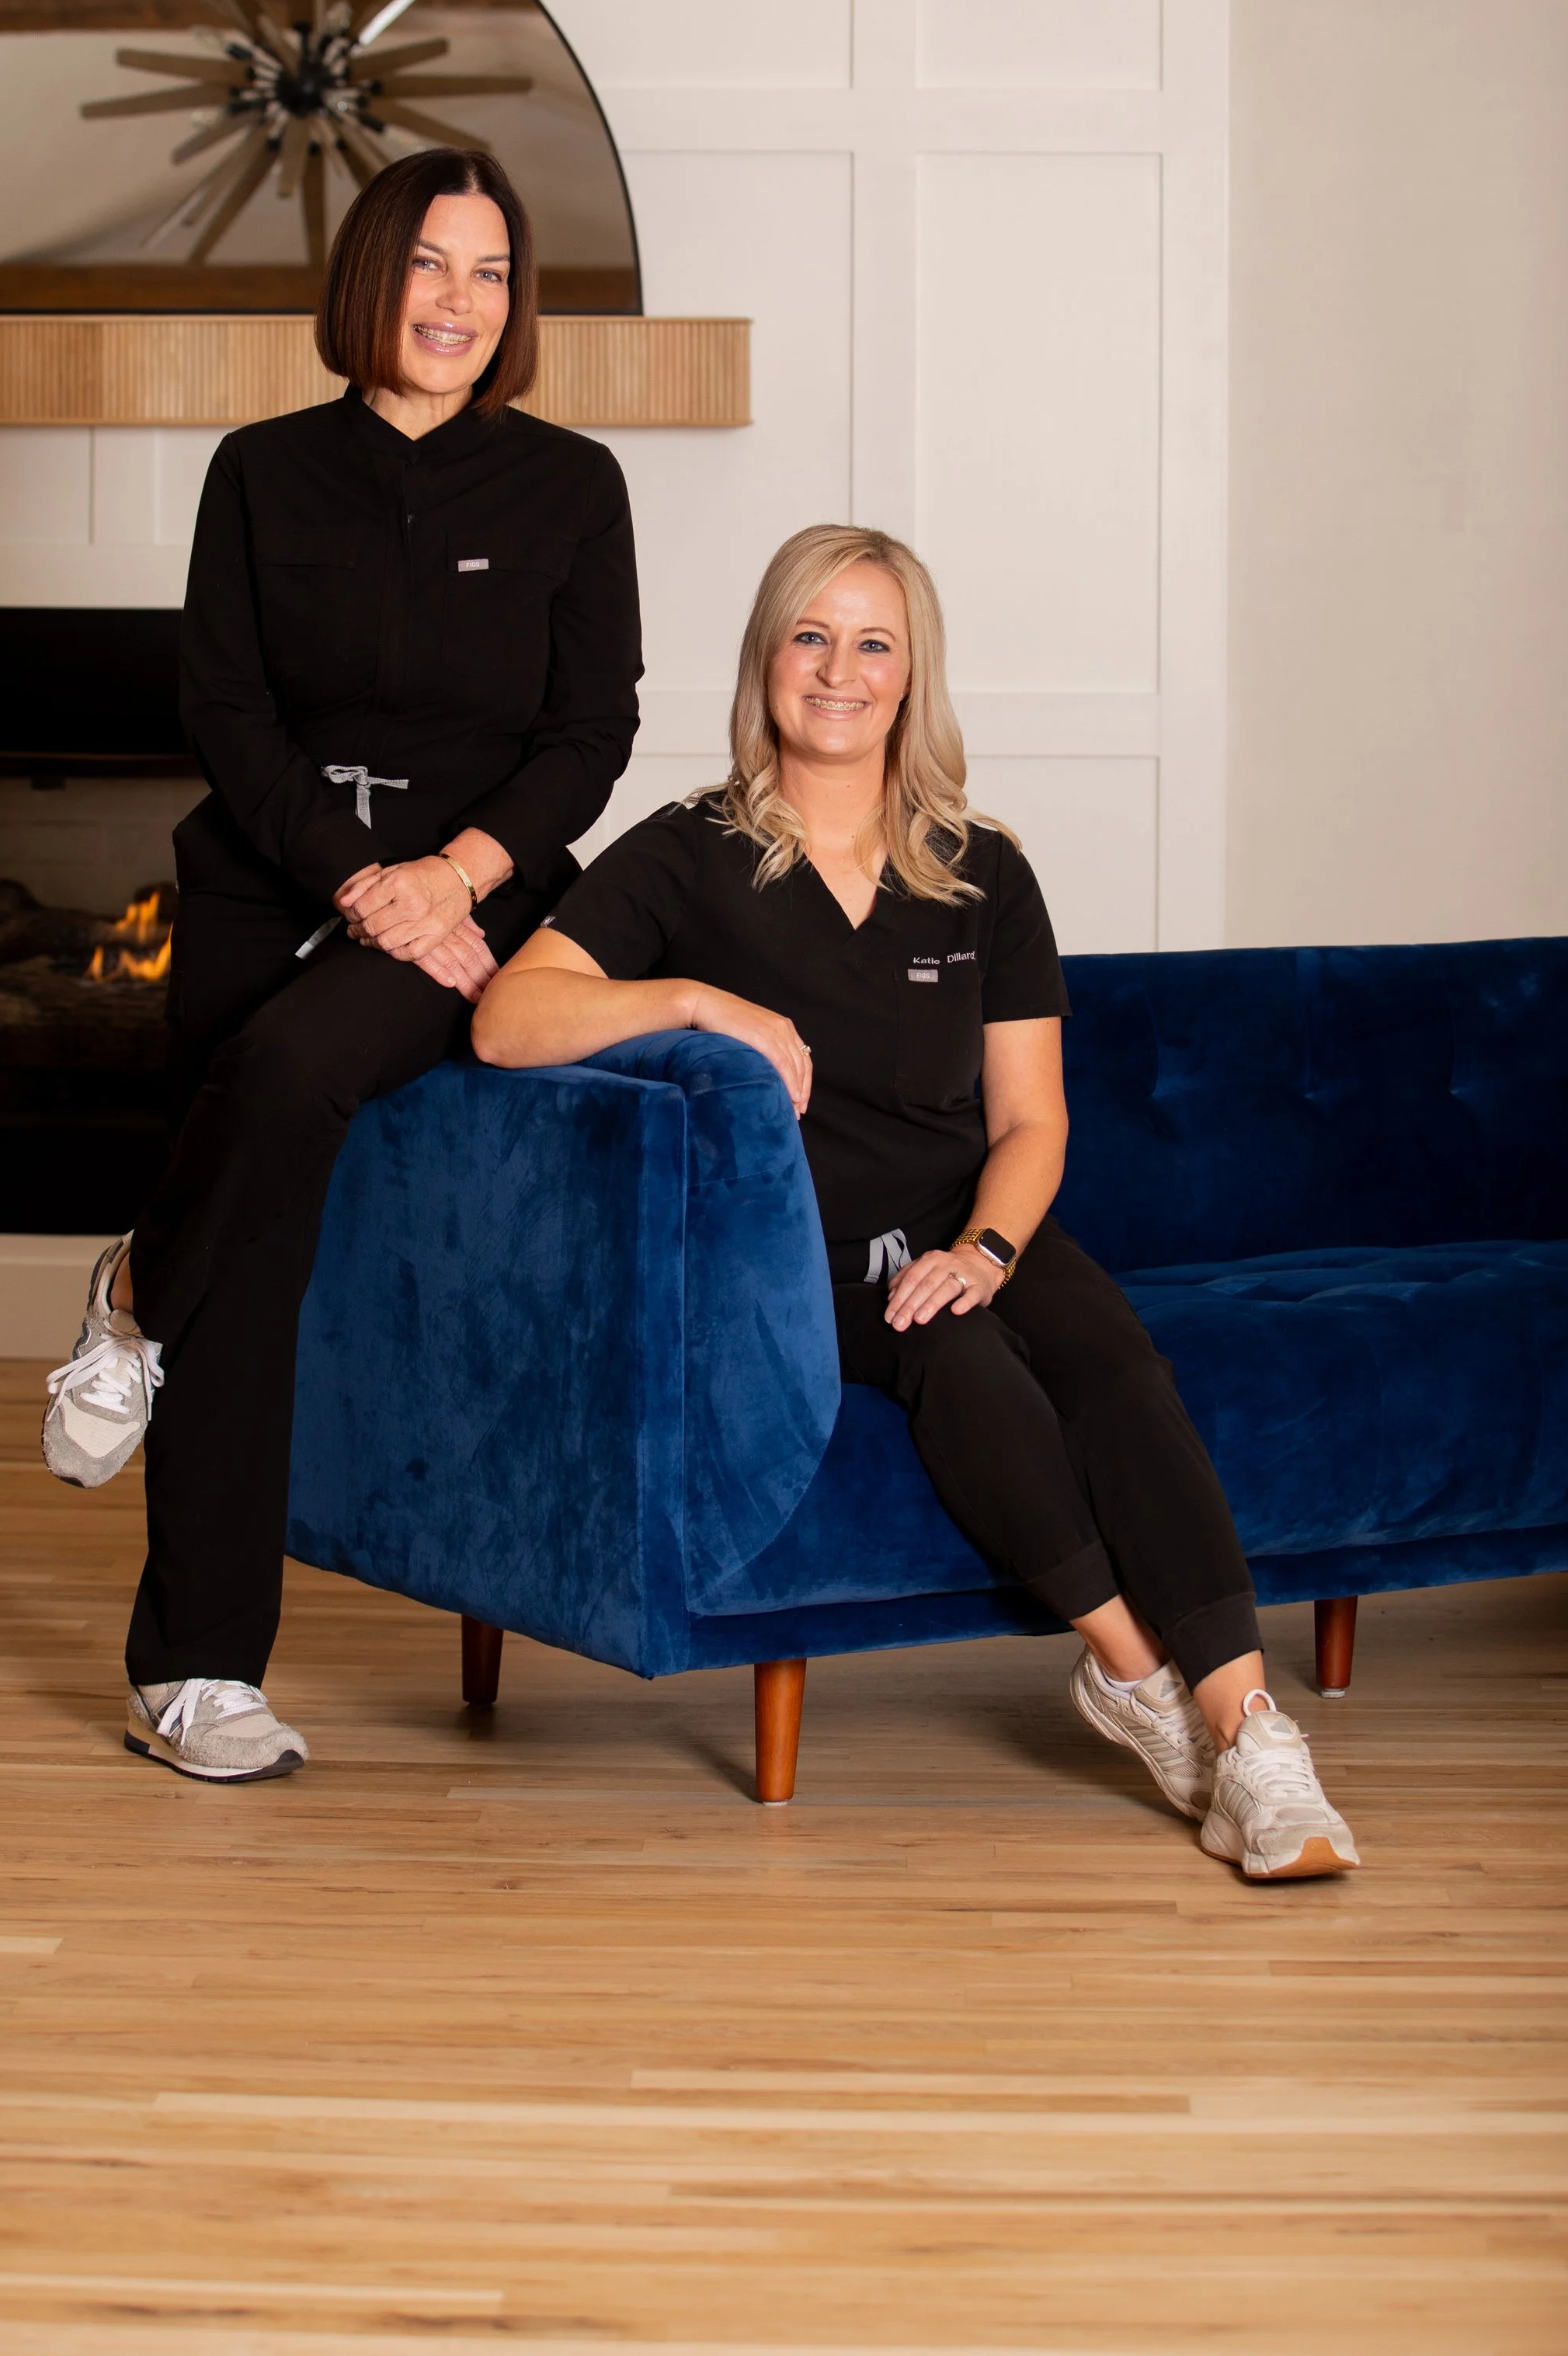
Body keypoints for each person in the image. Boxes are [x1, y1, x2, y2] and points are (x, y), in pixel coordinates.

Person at [472, 524, 1358, 1881]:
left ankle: (1249, 1730)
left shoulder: (982, 866)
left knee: (1116, 1366)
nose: (840, 669)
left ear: (913, 673)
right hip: (794, 1254)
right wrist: (701, 999)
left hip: (973, 1209)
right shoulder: (688, 852)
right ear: (767, 658)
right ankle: (1135, 1678)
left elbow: (1032, 1120)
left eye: (873, 641)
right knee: (957, 1363)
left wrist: (987, 1246)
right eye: (809, 635)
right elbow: (509, 1017)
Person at [41, 148, 642, 1784]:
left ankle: (128, 1294)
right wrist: (353, 875)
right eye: (430, 265)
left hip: (484, 890)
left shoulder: (571, 487)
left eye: (491, 272)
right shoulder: (259, 471)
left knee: (294, 1070)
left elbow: (594, 730)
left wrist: (447, 877)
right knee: (261, 1244)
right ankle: (197, 1676)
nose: (459, 301)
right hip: (271, 874)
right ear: (370, 279)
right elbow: (223, 711)